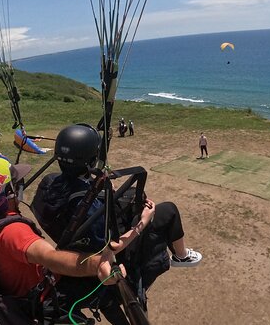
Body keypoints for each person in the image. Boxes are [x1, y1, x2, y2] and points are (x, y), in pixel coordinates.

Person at [32, 125, 202, 307]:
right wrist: (143, 222)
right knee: (168, 210)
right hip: (96, 249)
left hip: (70, 238)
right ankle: (181, 256)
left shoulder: (48, 183)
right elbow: (111, 247)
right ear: (90, 160)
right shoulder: (89, 209)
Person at [0, 152, 124, 323]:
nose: (20, 185)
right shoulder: (13, 232)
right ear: (8, 193)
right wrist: (98, 264)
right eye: (16, 182)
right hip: (43, 300)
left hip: (23, 288)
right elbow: (50, 258)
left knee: (104, 295)